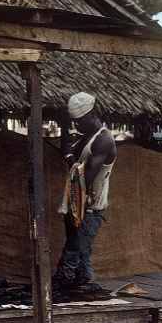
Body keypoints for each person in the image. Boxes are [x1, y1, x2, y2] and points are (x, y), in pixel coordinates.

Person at [54, 92, 116, 290]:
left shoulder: (103, 140)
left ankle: (66, 285)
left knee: (75, 250)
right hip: (75, 203)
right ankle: (82, 286)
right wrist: (65, 132)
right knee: (81, 253)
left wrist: (69, 157)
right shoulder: (86, 137)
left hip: (89, 207)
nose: (77, 125)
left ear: (92, 114)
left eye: (79, 121)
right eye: (74, 122)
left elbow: (85, 178)